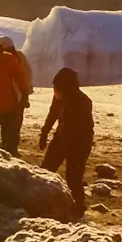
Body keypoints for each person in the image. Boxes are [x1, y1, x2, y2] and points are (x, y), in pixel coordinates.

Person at [38, 66, 96, 212]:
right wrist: (44, 132)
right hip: (61, 138)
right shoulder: (59, 97)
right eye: (54, 89)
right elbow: (53, 114)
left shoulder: (83, 102)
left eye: (58, 90)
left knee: (73, 177)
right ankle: (42, 199)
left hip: (79, 144)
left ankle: (78, 207)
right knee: (46, 169)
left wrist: (74, 149)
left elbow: (84, 130)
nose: (55, 93)